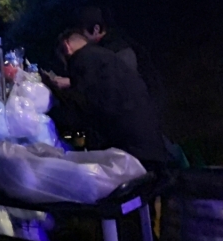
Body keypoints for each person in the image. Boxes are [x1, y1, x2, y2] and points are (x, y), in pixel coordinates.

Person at [55, 30, 167, 168]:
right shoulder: (104, 57)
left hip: (131, 155)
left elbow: (82, 106)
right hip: (149, 146)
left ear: (66, 47)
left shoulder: (82, 58)